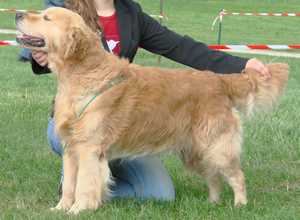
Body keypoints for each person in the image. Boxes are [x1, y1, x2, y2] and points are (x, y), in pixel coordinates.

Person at [30, 0, 270, 201]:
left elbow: (179, 47)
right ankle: (77, 188)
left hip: (123, 127)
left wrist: (240, 65)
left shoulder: (131, 13)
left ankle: (93, 182)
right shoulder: (68, 8)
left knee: (161, 194)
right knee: (85, 144)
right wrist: (39, 58)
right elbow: (42, 47)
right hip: (75, 119)